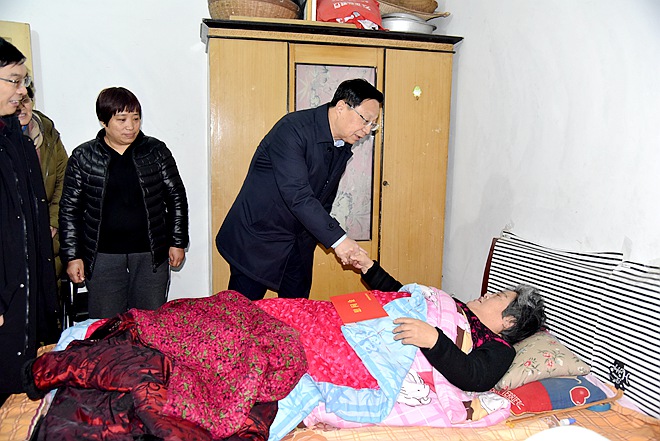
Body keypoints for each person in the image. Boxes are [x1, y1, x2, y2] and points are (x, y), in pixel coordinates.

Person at [215, 78, 384, 300]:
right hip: (259, 239)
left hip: (298, 243)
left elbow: (323, 200)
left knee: (297, 312)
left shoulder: (342, 144)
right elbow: (298, 195)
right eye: (365, 120)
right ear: (342, 107)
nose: (367, 130)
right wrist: (339, 241)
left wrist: (332, 238)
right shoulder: (293, 130)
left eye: (373, 125)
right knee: (243, 313)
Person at [59, 87, 189, 319]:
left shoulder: (155, 151)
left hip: (150, 254)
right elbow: (70, 210)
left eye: (135, 118)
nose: (130, 126)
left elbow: (176, 197)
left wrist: (177, 242)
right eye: (122, 120)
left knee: (150, 322)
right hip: (102, 256)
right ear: (103, 121)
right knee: (107, 324)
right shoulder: (84, 156)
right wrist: (72, 256)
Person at [349, 252, 546, 391]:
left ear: (509, 321)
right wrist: (369, 268)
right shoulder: (454, 307)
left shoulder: (499, 348)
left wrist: (434, 341)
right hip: (367, 328)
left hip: (382, 356)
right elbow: (404, 296)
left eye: (498, 296)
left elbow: (474, 377)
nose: (487, 294)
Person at [0, 37, 60, 402]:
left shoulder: (15, 140)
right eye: (15, 80)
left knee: (18, 385)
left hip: (21, 289)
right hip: (6, 294)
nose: (22, 91)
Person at [17, 85, 68, 282]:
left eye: (26, 101)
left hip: (47, 235)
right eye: (16, 102)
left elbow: (64, 181)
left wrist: (53, 221)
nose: (22, 108)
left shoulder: (47, 132)